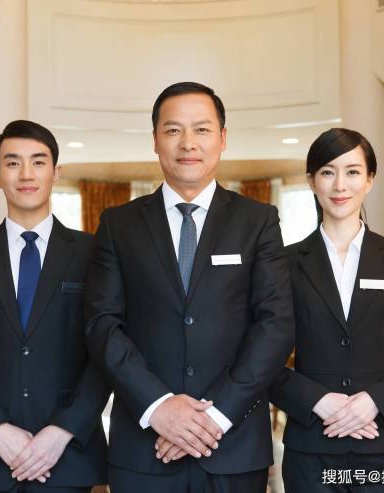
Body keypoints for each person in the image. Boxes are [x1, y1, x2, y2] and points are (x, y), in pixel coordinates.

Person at [84, 82, 295, 493]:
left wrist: (214, 418)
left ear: (222, 138)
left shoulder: (258, 221)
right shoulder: (118, 224)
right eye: (173, 130)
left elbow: (276, 324)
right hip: (144, 448)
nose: (188, 143)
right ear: (155, 140)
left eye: (201, 129)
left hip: (232, 445)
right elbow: (102, 324)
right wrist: (159, 406)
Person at [269, 128, 384, 492]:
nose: (340, 184)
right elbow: (259, 357)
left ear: (370, 180)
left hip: (383, 447)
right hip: (311, 449)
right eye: (327, 172)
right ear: (311, 181)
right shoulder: (283, 263)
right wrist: (316, 400)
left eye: (353, 171)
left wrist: (376, 401)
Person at [0, 120, 109, 493]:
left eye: (38, 162)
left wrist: (62, 431)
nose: (26, 174)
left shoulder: (94, 253)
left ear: (56, 172)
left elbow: (107, 352)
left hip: (68, 456)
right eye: (13, 163)